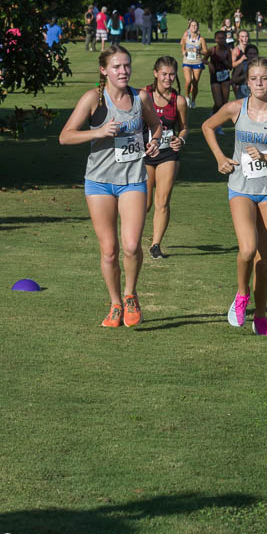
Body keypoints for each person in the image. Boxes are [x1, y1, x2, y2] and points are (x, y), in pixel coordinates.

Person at [58, 47, 162, 328]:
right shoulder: (94, 99)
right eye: (117, 67)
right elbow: (65, 136)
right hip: (99, 183)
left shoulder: (140, 97)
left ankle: (130, 294)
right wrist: (98, 131)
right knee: (109, 251)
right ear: (104, 70)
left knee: (130, 246)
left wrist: (154, 140)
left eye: (126, 66)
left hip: (133, 180)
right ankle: (115, 302)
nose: (123, 71)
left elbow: (157, 124)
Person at [202, 56, 267, 337]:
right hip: (241, 188)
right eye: (254, 79)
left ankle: (261, 317)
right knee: (247, 249)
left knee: (263, 257)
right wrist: (220, 157)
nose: (259, 83)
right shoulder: (236, 108)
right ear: (246, 82)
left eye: (264, 78)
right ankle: (242, 294)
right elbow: (207, 126)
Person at [142, 56, 188, 260]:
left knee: (163, 200)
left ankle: (155, 245)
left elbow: (184, 128)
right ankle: (132, 238)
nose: (168, 78)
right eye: (164, 74)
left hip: (168, 153)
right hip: (144, 153)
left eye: (172, 74)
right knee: (146, 203)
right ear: (155, 73)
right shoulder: (144, 95)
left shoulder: (178, 100)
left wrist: (181, 139)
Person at [180, 19, 207, 108]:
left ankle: (193, 100)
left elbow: (205, 52)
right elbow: (183, 48)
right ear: (189, 27)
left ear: (198, 27)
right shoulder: (185, 38)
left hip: (197, 61)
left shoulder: (201, 39)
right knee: (188, 81)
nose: (194, 27)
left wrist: (199, 50)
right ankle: (187, 97)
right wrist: (183, 52)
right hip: (187, 61)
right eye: (192, 26)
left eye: (195, 25)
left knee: (195, 83)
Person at [208, 29, 233, 117]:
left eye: (223, 38)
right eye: (219, 38)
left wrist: (226, 62)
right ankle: (214, 116)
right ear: (215, 39)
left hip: (225, 76)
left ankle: (216, 119)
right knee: (218, 103)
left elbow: (231, 67)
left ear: (226, 39)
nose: (221, 40)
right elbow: (203, 59)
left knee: (224, 102)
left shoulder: (228, 50)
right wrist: (209, 63)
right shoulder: (212, 50)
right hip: (214, 76)